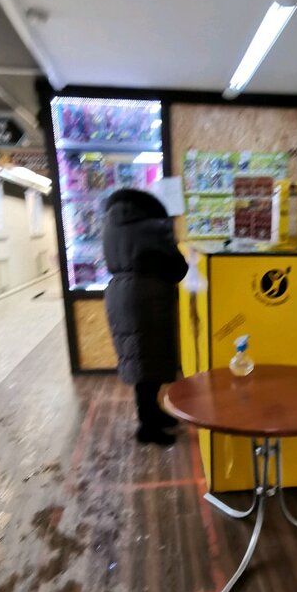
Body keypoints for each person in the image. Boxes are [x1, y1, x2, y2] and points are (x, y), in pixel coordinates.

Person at [103, 188, 188, 445]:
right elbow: (178, 268)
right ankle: (147, 427)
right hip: (148, 297)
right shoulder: (154, 227)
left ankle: (151, 414)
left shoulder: (110, 226)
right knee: (150, 363)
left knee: (141, 361)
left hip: (119, 294)